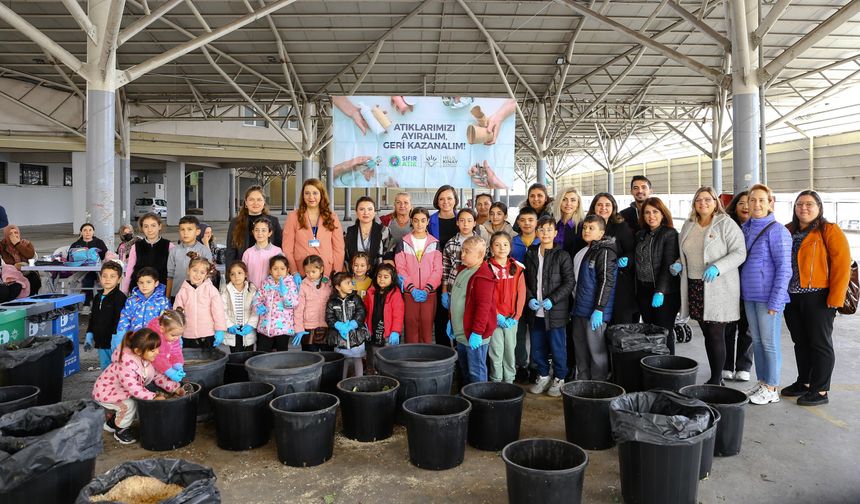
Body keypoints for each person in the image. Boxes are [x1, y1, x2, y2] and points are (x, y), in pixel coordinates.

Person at [782, 190, 852, 406]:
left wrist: (836, 298)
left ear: (819, 208)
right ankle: (804, 382)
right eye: (799, 204)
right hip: (792, 297)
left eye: (809, 204)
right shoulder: (788, 230)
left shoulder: (829, 230)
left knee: (819, 343)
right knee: (800, 342)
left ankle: (820, 390)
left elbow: (842, 265)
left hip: (819, 297)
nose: (803, 208)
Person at [675, 187, 746, 386]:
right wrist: (679, 263)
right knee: (707, 333)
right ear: (694, 203)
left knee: (716, 333)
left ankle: (716, 379)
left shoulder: (726, 224)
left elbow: (740, 252)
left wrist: (718, 267)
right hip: (695, 286)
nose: (703, 203)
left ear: (716, 202)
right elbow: (685, 251)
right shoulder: (689, 225)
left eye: (708, 199)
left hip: (717, 286)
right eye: (699, 199)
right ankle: (717, 374)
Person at [740, 184, 792, 405]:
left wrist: (777, 300)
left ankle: (772, 387)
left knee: (769, 343)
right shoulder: (745, 228)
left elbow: (784, 268)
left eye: (762, 200)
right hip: (750, 295)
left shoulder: (777, 230)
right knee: (758, 342)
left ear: (771, 203)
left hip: (768, 297)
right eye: (752, 200)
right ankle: (762, 382)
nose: (757, 204)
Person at [92, 328, 183, 445]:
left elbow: (158, 377)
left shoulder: (146, 360)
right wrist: (154, 396)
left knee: (128, 404)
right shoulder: (126, 365)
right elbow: (135, 389)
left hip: (119, 392)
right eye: (153, 350)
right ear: (138, 351)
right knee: (129, 405)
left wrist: (174, 388)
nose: (157, 352)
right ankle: (121, 430)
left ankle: (112, 424)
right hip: (105, 392)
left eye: (157, 348)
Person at [525, 217, 575, 397]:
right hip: (535, 311)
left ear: (555, 233)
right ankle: (544, 375)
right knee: (538, 347)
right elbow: (525, 282)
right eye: (542, 229)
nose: (545, 233)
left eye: (549, 230)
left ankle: (559, 378)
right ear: (537, 232)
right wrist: (530, 298)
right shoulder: (530, 253)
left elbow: (570, 282)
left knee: (557, 346)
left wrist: (553, 300)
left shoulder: (562, 255)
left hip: (555, 312)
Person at [571, 214, 618, 381]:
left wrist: (599, 309)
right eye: (584, 227)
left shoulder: (605, 252)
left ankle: (598, 386)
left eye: (591, 228)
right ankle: (582, 383)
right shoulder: (587, 251)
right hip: (580, 310)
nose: (586, 231)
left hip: (595, 313)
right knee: (581, 349)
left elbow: (606, 281)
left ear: (601, 233)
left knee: (596, 352)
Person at [446, 236, 497, 384]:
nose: (462, 255)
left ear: (480, 255)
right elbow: (456, 299)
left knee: (476, 371)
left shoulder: (482, 276)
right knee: (465, 369)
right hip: (461, 333)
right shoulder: (463, 271)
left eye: (467, 252)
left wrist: (477, 332)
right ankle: (467, 399)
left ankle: (480, 400)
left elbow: (483, 307)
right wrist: (451, 321)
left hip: (474, 335)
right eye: (462, 251)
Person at [634, 197, 681, 354]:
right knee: (651, 332)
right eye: (647, 212)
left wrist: (660, 291)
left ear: (663, 214)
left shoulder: (670, 234)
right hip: (643, 291)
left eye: (655, 212)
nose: (651, 216)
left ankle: (669, 369)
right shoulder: (641, 234)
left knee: (664, 333)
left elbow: (668, 265)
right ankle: (654, 368)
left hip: (664, 293)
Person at [587, 193, 638, 324]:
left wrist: (627, 259)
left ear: (613, 207)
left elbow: (632, 250)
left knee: (618, 321)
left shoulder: (621, 226)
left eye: (607, 205)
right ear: (594, 207)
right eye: (599, 204)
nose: (603, 208)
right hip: (594, 280)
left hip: (618, 282)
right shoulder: (588, 225)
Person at [394, 207, 442, 344]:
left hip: (430, 294)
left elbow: (438, 270)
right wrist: (411, 288)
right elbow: (401, 268)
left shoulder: (435, 243)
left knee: (427, 329)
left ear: (427, 222)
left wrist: (427, 288)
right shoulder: (403, 243)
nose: (419, 224)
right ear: (411, 222)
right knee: (410, 328)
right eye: (416, 220)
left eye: (423, 220)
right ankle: (411, 360)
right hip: (410, 293)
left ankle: (427, 361)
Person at [283, 178, 345, 278]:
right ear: (303, 196)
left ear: (321, 195)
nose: (311, 197)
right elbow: (287, 248)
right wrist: (294, 271)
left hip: (326, 270)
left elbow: (339, 248)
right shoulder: (293, 217)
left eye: (315, 193)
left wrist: (337, 272)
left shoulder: (332, 216)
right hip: (302, 270)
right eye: (307, 193)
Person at [486, 232, 525, 383]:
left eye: (505, 244)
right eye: (497, 244)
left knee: (509, 351)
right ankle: (496, 380)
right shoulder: (486, 267)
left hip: (511, 320)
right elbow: (485, 297)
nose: (501, 248)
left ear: (510, 247)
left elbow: (521, 295)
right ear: (491, 248)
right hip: (494, 319)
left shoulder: (518, 268)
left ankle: (509, 380)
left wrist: (516, 317)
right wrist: (495, 315)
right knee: (496, 351)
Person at [723, 191, 753, 381]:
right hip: (729, 283)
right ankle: (726, 364)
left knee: (747, 328)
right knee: (727, 326)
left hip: (751, 285)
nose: (745, 206)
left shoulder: (759, 228)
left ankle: (744, 366)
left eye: (749, 202)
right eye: (741, 203)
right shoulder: (727, 226)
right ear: (734, 206)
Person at [173, 257, 227, 349]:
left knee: (208, 361)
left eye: (202, 272)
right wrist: (177, 333)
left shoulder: (211, 290)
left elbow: (218, 312)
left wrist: (220, 330)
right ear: (188, 270)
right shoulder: (182, 292)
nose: (198, 275)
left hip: (207, 335)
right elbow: (177, 314)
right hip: (187, 335)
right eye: (195, 270)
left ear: (206, 275)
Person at [114, 266, 170, 351]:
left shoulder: (162, 301)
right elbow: (125, 318)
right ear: (137, 283)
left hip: (154, 342)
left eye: (148, 282)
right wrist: (120, 337)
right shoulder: (131, 300)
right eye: (141, 282)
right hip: (134, 340)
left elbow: (166, 321)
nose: (144, 286)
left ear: (156, 283)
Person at [225, 185, 283, 266]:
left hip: (267, 269)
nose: (255, 203)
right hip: (242, 270)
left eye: (259, 200)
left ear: (264, 202)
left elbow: (279, 246)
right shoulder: (235, 222)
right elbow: (230, 251)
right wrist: (230, 274)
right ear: (246, 203)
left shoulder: (273, 221)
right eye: (251, 199)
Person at [326, 271, 369, 379]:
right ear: (338, 287)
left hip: (355, 336)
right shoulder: (332, 302)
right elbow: (329, 317)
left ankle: (359, 380)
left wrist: (353, 324)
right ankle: (343, 381)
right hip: (341, 338)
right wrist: (338, 325)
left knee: (358, 358)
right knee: (343, 359)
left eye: (351, 282)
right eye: (347, 283)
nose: (351, 285)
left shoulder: (355, 298)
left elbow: (361, 311)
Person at [84, 261, 127, 370]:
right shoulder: (97, 297)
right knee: (105, 368)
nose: (107, 279)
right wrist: (89, 335)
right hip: (101, 341)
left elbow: (120, 320)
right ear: (100, 278)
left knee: (118, 369)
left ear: (119, 280)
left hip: (115, 343)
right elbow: (92, 317)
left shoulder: (120, 298)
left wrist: (116, 339)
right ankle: (107, 387)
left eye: (112, 276)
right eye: (104, 276)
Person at [252, 255, 299, 352]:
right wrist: (257, 306)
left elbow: (294, 304)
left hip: (283, 329)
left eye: (282, 268)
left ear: (288, 270)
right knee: (262, 354)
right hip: (265, 327)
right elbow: (257, 298)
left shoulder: (291, 284)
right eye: (275, 268)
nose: (279, 271)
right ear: (270, 270)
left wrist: (285, 293)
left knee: (281, 356)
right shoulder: (265, 283)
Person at [364, 263, 404, 374]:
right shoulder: (371, 291)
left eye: (386, 277)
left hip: (388, 333)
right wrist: (365, 323)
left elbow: (398, 315)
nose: (382, 279)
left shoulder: (395, 294)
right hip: (373, 331)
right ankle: (372, 374)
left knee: (387, 358)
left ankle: (388, 376)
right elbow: (366, 310)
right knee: (372, 355)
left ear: (393, 279)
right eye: (379, 276)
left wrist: (396, 331)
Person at [441, 209, 481, 310]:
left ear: (474, 223)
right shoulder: (450, 244)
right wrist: (444, 291)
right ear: (457, 222)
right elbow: (445, 270)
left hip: (474, 286)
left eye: (469, 221)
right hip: (454, 286)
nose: (465, 224)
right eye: (462, 220)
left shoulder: (481, 243)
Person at [122, 213, 173, 293]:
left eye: (153, 225)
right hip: (139, 290)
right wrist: (124, 291)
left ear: (159, 226)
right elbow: (129, 271)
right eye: (146, 226)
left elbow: (172, 273)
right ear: (142, 228)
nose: (150, 229)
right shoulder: (136, 247)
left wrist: (169, 294)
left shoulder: (169, 246)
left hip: (161, 291)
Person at [166, 216, 212, 300]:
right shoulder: (174, 251)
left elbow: (208, 275)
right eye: (182, 229)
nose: (185, 233)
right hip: (176, 294)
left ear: (197, 232)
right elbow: (170, 276)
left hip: (198, 296)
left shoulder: (204, 251)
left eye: (189, 229)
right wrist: (167, 298)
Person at [293, 255, 333, 352]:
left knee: (328, 357)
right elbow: (298, 309)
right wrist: (299, 329)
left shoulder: (329, 283)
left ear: (321, 269)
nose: (310, 275)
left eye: (313, 272)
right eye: (307, 272)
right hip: (308, 328)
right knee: (310, 359)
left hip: (326, 326)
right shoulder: (303, 285)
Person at [344, 197, 393, 268]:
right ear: (356, 212)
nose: (366, 213)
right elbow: (346, 258)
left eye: (370, 209)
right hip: (355, 275)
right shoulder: (350, 232)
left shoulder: (384, 231)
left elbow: (389, 258)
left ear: (374, 212)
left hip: (378, 275)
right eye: (362, 209)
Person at [221, 261, 258, 353]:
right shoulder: (225, 291)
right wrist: (229, 325)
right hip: (233, 330)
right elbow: (222, 310)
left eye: (239, 273)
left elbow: (255, 310)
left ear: (246, 274)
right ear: (229, 276)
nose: (236, 276)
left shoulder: (252, 290)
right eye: (232, 274)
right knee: (235, 356)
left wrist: (250, 325)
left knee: (248, 355)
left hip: (247, 329)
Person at [242, 217, 284, 290]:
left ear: (269, 233)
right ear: (253, 232)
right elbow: (243, 273)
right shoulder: (248, 253)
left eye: (264, 230)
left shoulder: (277, 252)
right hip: (252, 293)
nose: (260, 233)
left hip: (272, 293)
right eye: (256, 230)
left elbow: (282, 273)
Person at [148, 309, 187, 383]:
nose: (177, 338)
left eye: (180, 335)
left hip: (161, 367)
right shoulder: (155, 338)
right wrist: (170, 372)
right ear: (162, 329)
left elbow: (176, 352)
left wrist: (178, 366)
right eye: (173, 335)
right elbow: (158, 357)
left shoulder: (172, 336)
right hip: (146, 367)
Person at [0, 224, 41, 295]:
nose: (14, 235)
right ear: (6, 235)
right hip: (10, 274)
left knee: (33, 278)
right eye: (10, 234)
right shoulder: (2, 245)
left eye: (16, 233)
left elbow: (30, 255)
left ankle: (32, 297)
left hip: (26, 271)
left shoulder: (26, 243)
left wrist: (17, 244)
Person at [554, 187, 584, 253]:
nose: (568, 203)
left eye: (573, 200)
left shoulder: (582, 226)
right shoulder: (555, 224)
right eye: (564, 199)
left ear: (578, 204)